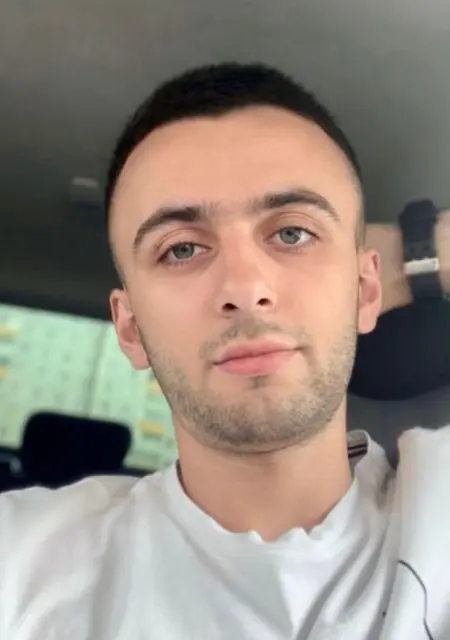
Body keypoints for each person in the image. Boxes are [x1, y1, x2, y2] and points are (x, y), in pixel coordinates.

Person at [1, 63, 449, 640]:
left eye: (292, 233)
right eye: (182, 249)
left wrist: (417, 251)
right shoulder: (24, 566)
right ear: (130, 328)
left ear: (366, 291)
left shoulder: (436, 504)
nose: (244, 286)